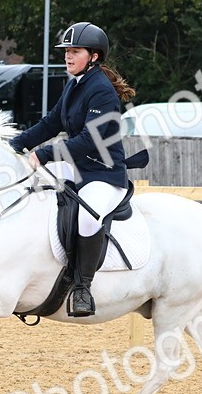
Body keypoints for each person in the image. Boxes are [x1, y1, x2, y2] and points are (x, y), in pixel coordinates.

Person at [9, 21, 136, 317]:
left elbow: (91, 141)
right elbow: (51, 123)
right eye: (66, 51)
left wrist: (46, 152)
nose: (67, 56)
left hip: (103, 173)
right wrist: (14, 145)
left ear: (93, 56)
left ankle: (82, 286)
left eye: (74, 51)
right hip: (75, 168)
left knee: (88, 219)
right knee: (31, 193)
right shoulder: (74, 84)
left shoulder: (102, 91)